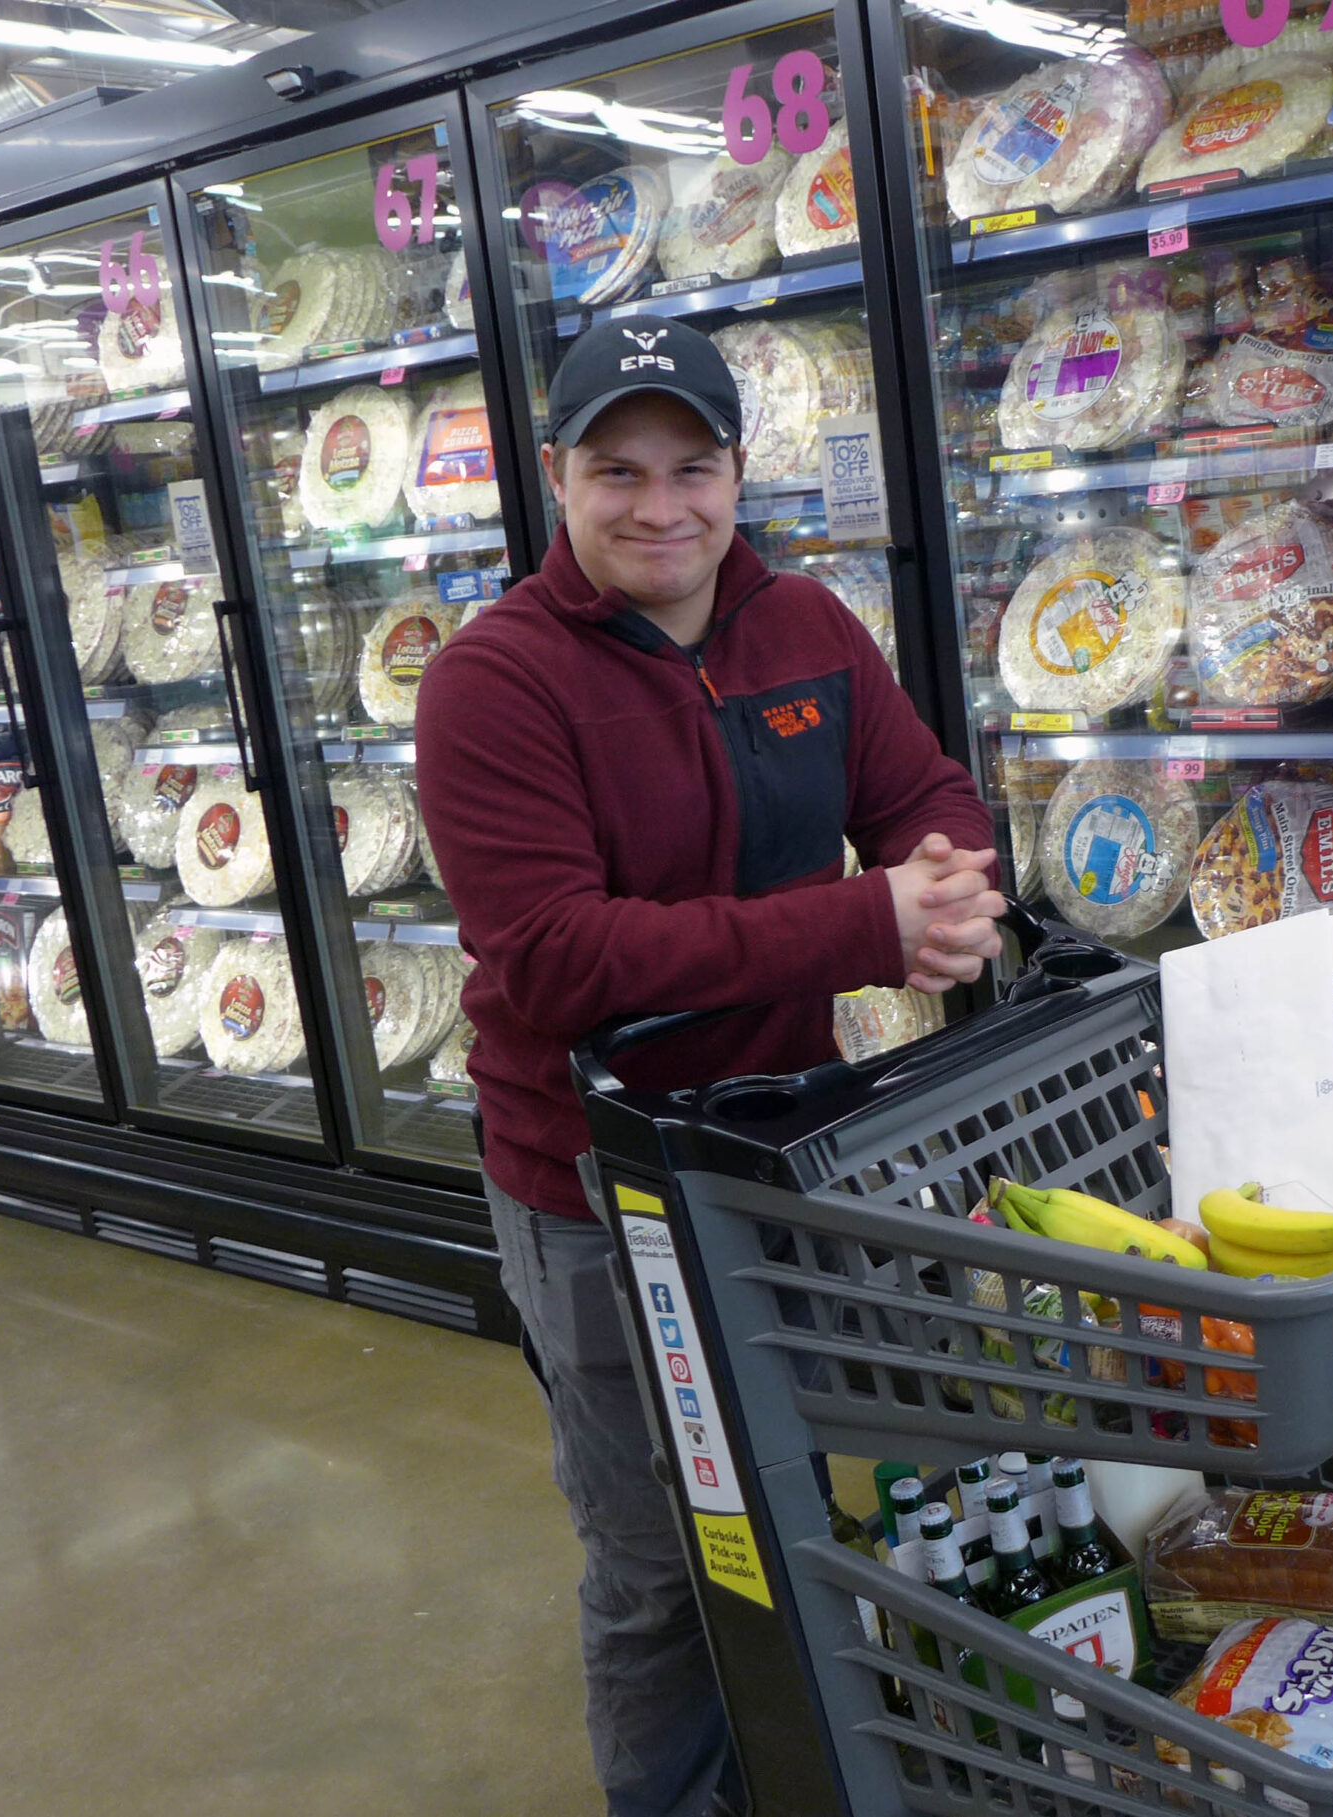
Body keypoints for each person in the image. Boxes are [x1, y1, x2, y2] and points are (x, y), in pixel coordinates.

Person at [414, 317, 1003, 1817]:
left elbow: (923, 785)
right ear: (557, 474)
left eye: (695, 465)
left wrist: (945, 882)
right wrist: (862, 924)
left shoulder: (805, 625)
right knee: (660, 1555)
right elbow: (557, 959)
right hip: (597, 1193)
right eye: (619, 468)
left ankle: (808, 1772)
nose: (660, 505)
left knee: (794, 1503)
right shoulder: (493, 681)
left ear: (743, 470)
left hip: (786, 1157)